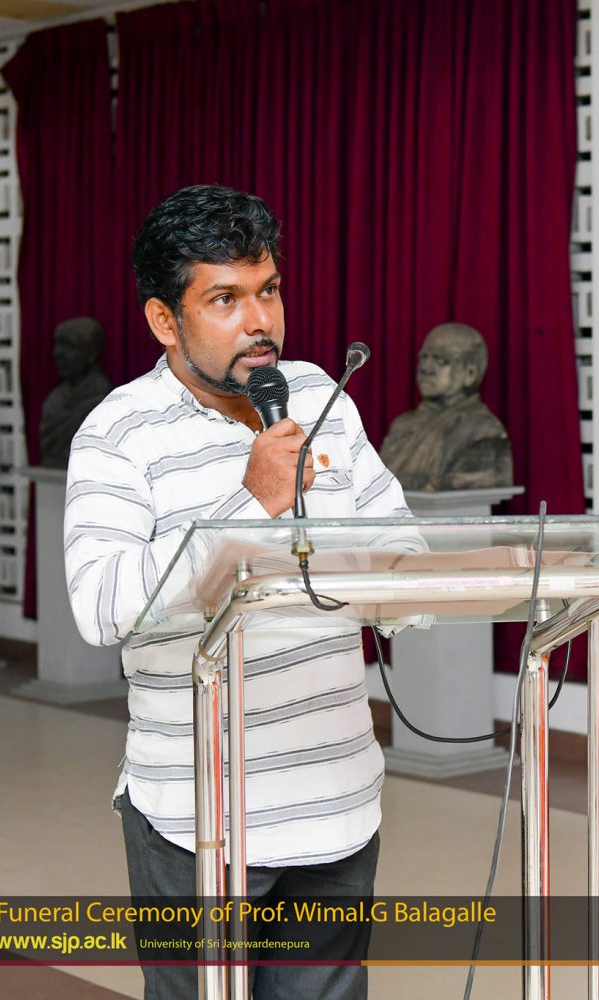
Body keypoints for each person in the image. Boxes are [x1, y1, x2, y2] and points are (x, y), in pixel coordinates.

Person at [64, 185, 409, 1000]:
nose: (261, 321)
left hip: (336, 800)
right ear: (164, 320)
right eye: (225, 299)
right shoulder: (117, 432)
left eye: (269, 290)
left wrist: (420, 590)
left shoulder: (322, 397)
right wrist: (251, 505)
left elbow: (404, 548)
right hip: (198, 818)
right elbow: (100, 607)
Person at [379, 322, 513, 491]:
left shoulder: (483, 430)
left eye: (441, 361)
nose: (426, 368)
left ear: (470, 373)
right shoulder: (402, 424)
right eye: (424, 357)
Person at [38, 316, 111, 468]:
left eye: (68, 346)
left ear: (91, 353)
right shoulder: (54, 402)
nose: (57, 353)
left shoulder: (104, 403)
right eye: (57, 346)